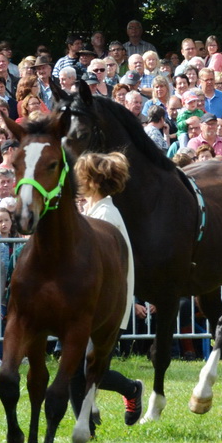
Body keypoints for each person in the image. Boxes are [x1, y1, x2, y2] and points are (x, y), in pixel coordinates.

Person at [75, 152, 147, 417]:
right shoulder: (96, 210)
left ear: (92, 182)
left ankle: (131, 390)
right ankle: (90, 411)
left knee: (89, 368)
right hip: (98, 303)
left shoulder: (105, 214)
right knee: (83, 365)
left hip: (107, 305)